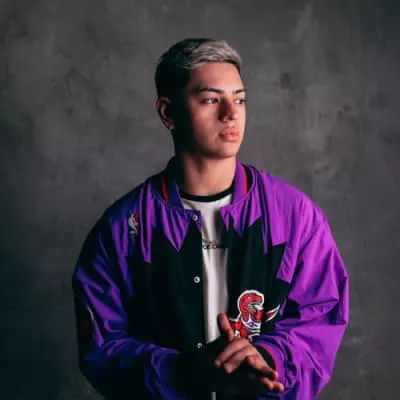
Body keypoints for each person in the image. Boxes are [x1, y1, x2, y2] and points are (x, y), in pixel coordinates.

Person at [72, 38, 349, 400]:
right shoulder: (123, 229)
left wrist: (268, 358)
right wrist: (184, 372)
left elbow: (320, 319)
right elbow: (103, 347)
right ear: (168, 113)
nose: (231, 113)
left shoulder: (295, 217)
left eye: (239, 99)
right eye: (210, 100)